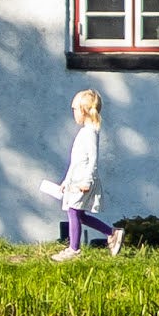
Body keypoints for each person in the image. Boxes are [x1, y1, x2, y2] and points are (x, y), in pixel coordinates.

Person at [53, 87, 115, 258]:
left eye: (74, 110)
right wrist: (66, 180)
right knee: (79, 214)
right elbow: (75, 161)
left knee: (73, 211)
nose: (73, 113)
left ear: (84, 111)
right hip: (77, 179)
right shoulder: (85, 132)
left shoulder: (90, 133)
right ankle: (111, 233)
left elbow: (93, 159)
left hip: (83, 181)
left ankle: (74, 250)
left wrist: (87, 181)